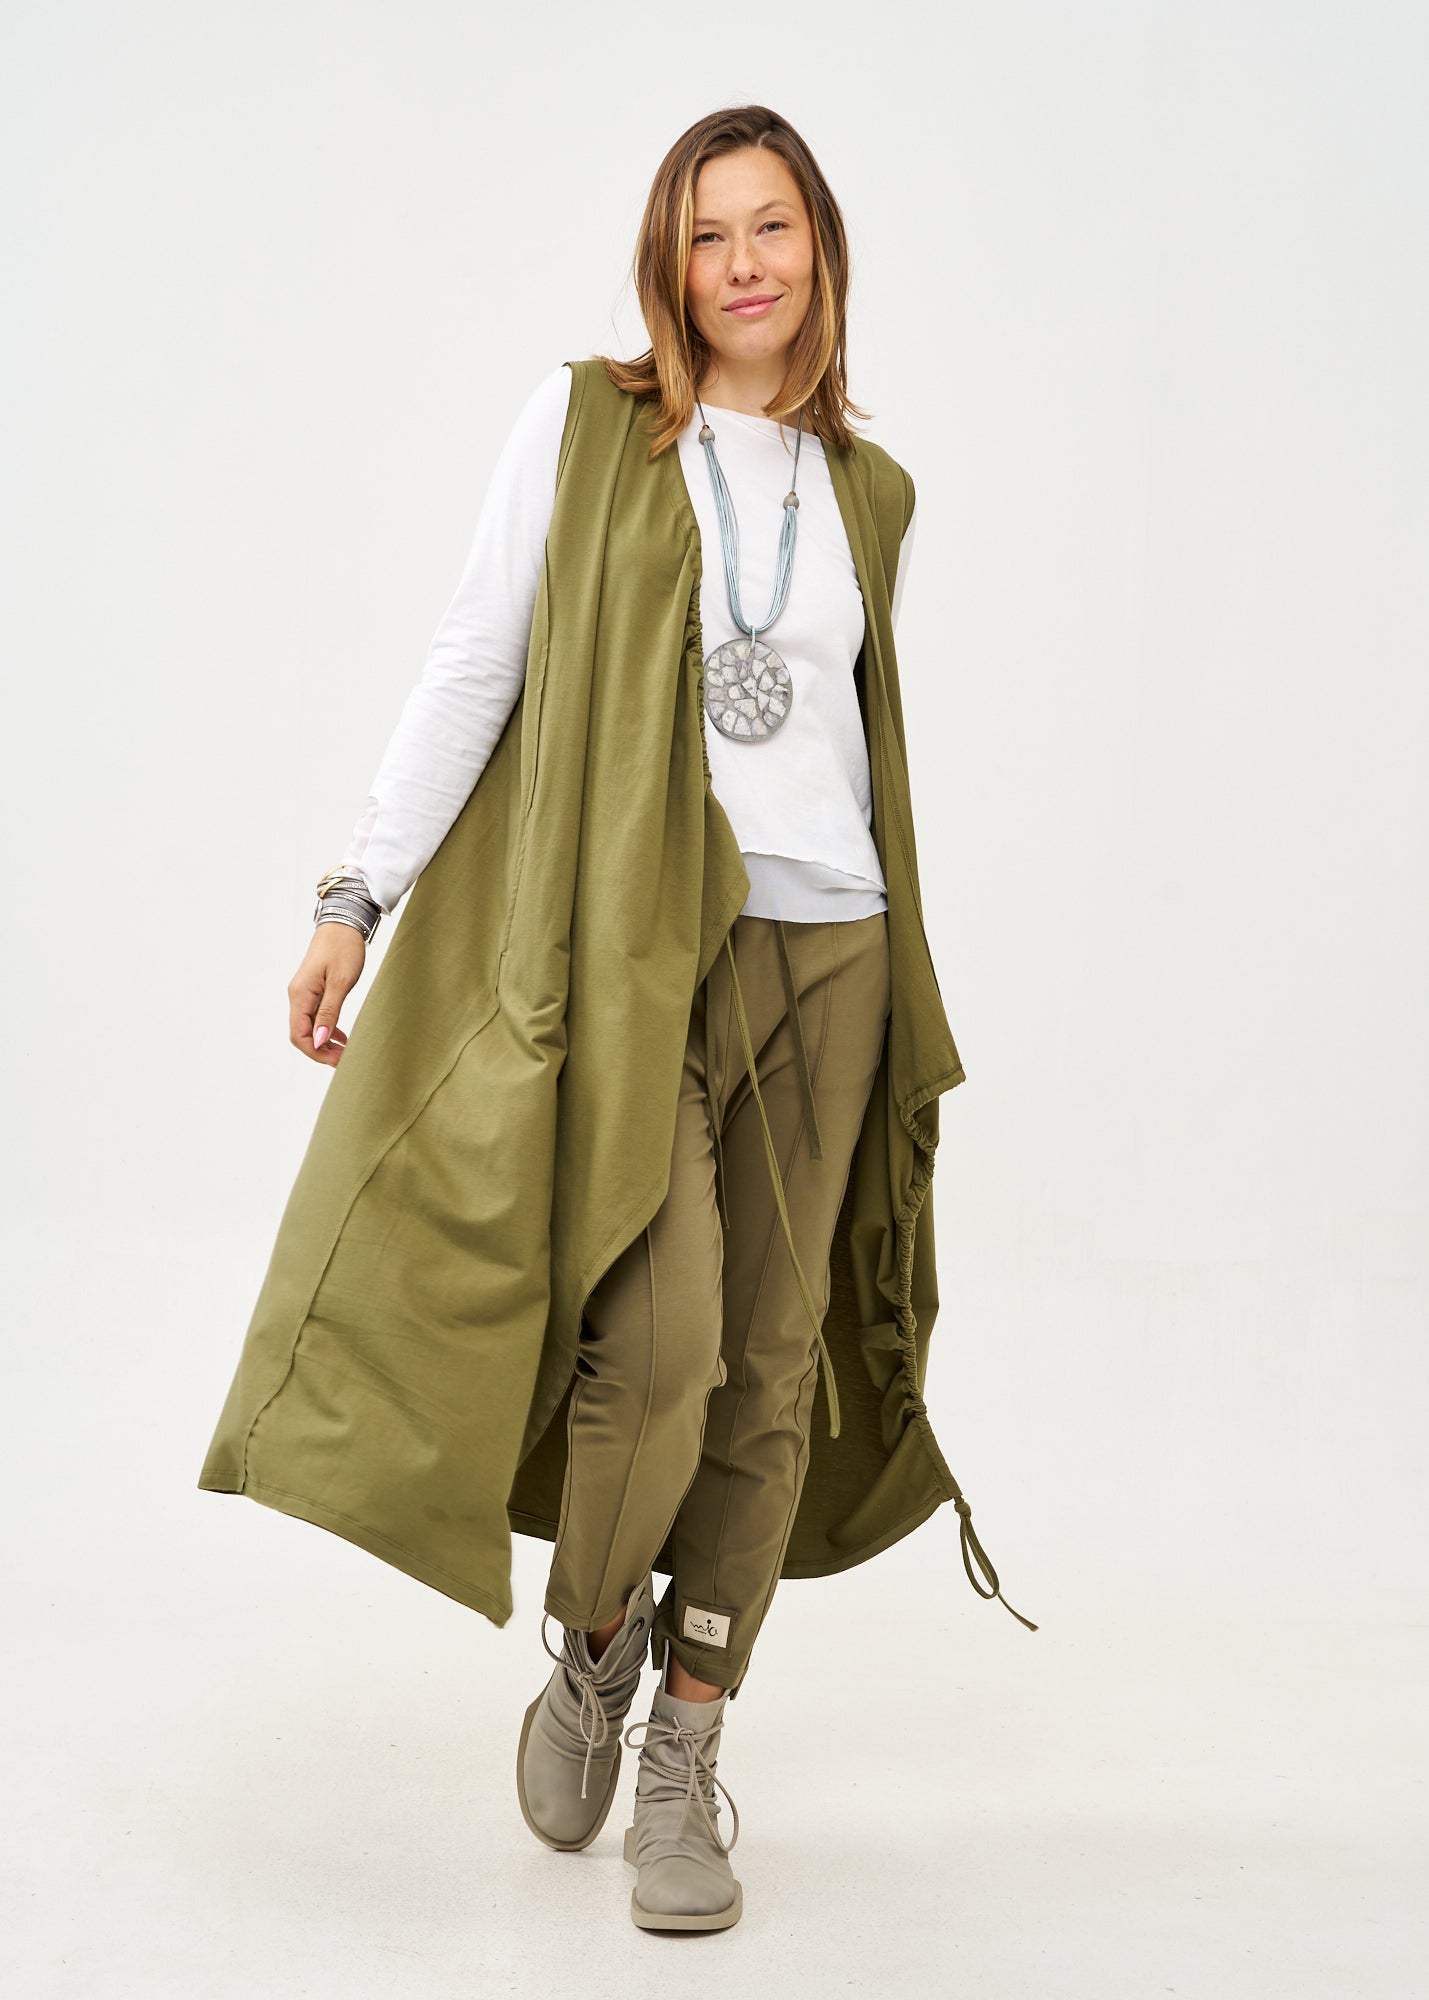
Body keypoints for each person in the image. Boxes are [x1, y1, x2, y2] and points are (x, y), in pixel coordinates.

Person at [206, 102, 1034, 1939]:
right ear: (667, 262)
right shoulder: (588, 427)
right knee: (652, 1353)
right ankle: (592, 1645)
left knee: (767, 1372)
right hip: (645, 952)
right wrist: (355, 892)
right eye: (706, 234)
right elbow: (474, 661)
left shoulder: (871, 493)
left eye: (772, 227)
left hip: (833, 954)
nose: (742, 265)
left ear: (819, 249)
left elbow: (851, 745)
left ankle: (688, 1746)